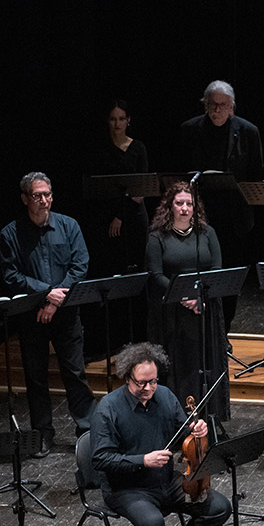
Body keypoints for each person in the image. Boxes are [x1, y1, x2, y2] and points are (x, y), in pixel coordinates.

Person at [91, 342, 232, 526]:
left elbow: (183, 432)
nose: (148, 389)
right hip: (127, 488)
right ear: (126, 378)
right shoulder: (107, 409)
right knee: (152, 523)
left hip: (166, 480)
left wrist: (196, 429)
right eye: (141, 383)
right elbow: (100, 459)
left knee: (219, 507)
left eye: (153, 382)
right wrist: (142, 460)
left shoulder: (165, 396)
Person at [0, 171, 97, 457]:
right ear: (25, 198)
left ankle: (86, 431)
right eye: (37, 196)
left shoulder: (69, 226)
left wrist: (54, 301)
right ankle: (43, 433)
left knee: (75, 373)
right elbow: (11, 275)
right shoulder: (10, 233)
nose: (44, 201)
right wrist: (45, 294)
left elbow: (80, 266)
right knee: (36, 377)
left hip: (65, 313)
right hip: (31, 315)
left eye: (47, 195)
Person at [145, 181, 230, 420]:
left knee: (206, 362)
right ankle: (178, 419)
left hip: (205, 308)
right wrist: (184, 295)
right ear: (170, 206)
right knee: (179, 366)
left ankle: (209, 417)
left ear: (195, 207)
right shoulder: (157, 237)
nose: (184, 208)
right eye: (179, 203)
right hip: (173, 312)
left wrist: (200, 297)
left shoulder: (207, 233)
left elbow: (216, 268)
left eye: (189, 203)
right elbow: (156, 275)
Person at [179, 81, 264, 291]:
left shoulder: (248, 132)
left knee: (231, 275)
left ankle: (225, 322)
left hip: (234, 217)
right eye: (213, 104)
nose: (218, 109)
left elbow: (255, 175)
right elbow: (180, 173)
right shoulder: (189, 130)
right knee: (199, 271)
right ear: (205, 104)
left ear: (232, 106)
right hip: (198, 213)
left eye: (223, 104)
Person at [85, 99, 150, 352]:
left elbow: (139, 191)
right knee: (110, 275)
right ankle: (111, 340)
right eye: (113, 119)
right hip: (105, 221)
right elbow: (97, 189)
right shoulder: (99, 149)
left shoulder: (139, 148)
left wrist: (120, 216)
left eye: (122, 119)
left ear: (129, 121)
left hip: (132, 220)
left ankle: (138, 337)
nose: (117, 124)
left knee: (134, 274)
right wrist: (112, 215)